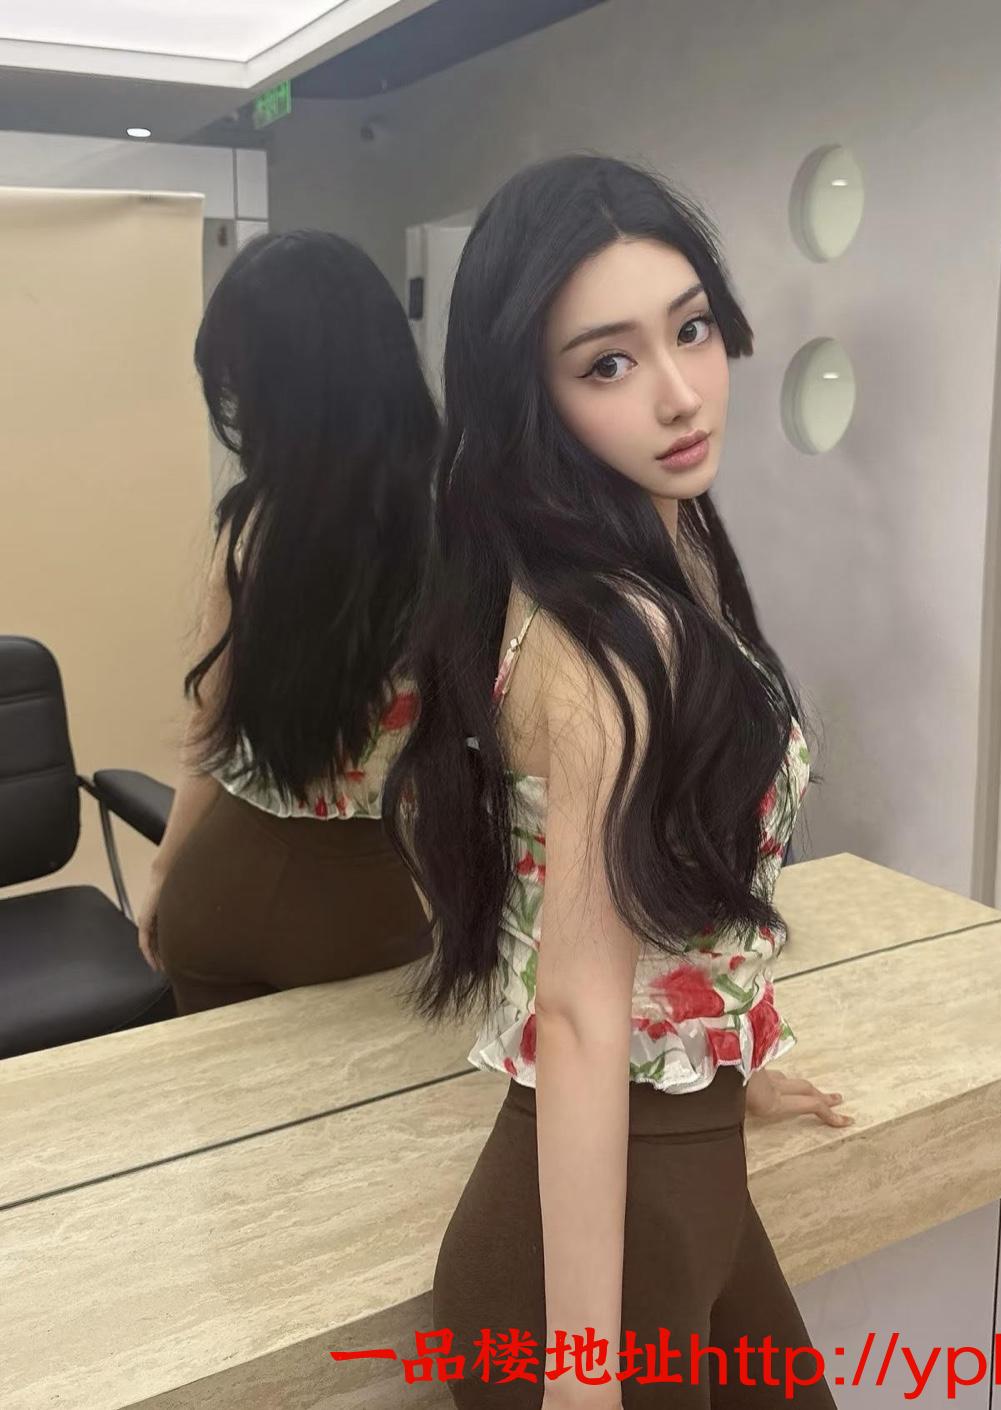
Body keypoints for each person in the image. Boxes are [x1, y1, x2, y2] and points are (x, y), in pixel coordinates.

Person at [387, 157, 850, 1408]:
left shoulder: (664, 545)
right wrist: (583, 1382)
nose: (680, 392)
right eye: (607, 363)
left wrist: (725, 1067)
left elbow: (660, 900)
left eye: (690, 329)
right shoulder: (604, 637)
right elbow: (582, 1015)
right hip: (594, 1258)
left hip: (681, 1179)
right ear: (530, 398)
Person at [142, 230, 440, 1014]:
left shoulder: (251, 524)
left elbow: (208, 725)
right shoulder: (458, 533)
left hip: (218, 888)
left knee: (220, 1095)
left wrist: (164, 871)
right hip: (369, 905)